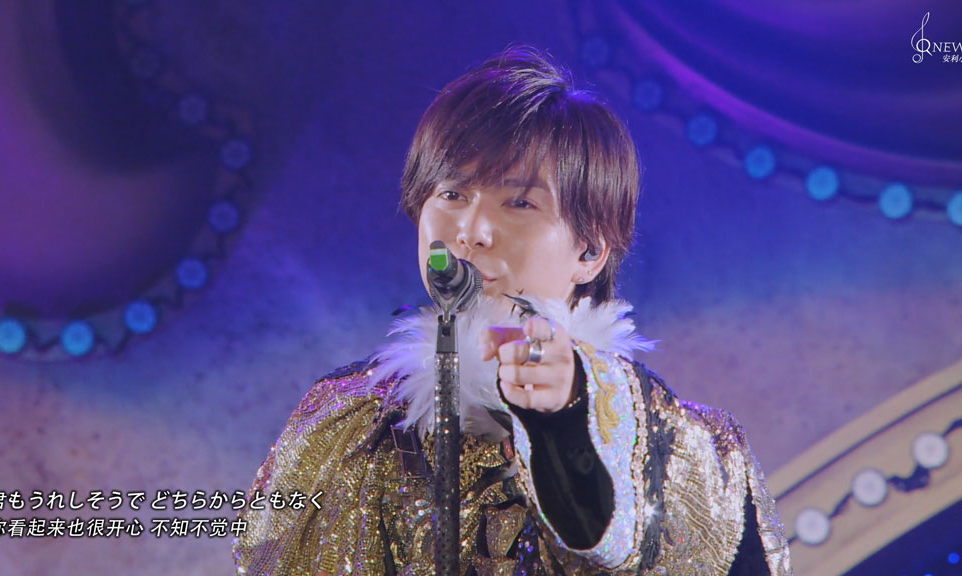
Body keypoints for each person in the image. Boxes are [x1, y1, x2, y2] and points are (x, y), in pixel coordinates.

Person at [232, 46, 792, 576]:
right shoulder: (346, 421)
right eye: (452, 195)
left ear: (590, 251)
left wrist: (565, 418)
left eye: (519, 202)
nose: (471, 231)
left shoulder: (683, 447)